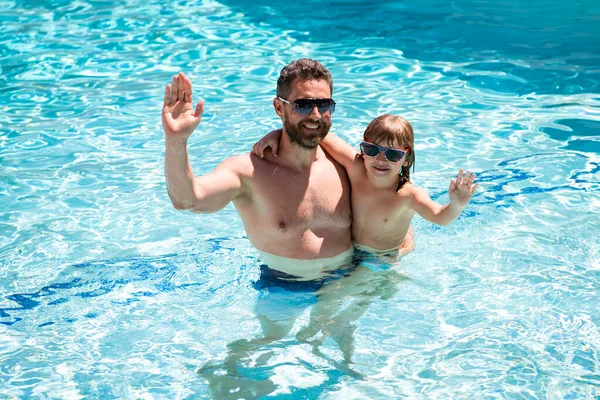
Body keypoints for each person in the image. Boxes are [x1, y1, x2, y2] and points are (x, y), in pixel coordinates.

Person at [253, 114, 479, 259]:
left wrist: (457, 204)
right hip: (351, 251)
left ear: (407, 158)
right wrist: (278, 134)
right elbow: (317, 133)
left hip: (384, 257)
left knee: (345, 305)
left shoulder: (407, 195)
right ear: (362, 149)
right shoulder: (357, 168)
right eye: (372, 150)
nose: (381, 159)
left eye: (393, 154)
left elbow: (440, 217)